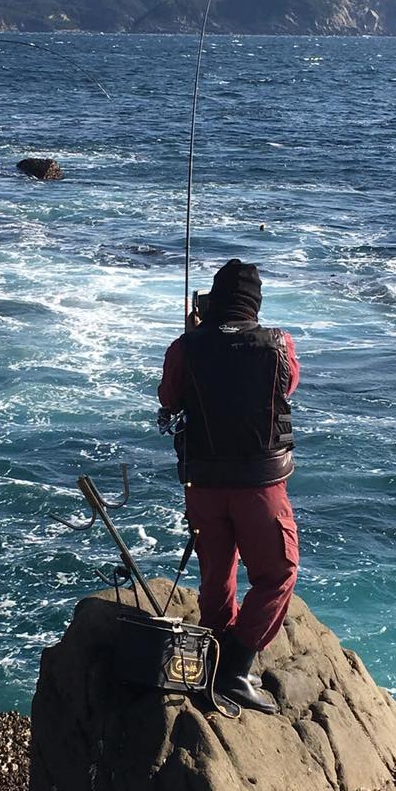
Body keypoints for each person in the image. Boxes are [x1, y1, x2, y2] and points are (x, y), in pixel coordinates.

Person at [158, 258, 299, 714]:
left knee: (217, 571)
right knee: (277, 572)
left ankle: (216, 657)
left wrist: (194, 337)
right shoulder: (278, 344)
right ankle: (236, 666)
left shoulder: (187, 346)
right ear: (254, 305)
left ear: (213, 301)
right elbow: (288, 385)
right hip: (260, 483)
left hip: (203, 481)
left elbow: (169, 396)